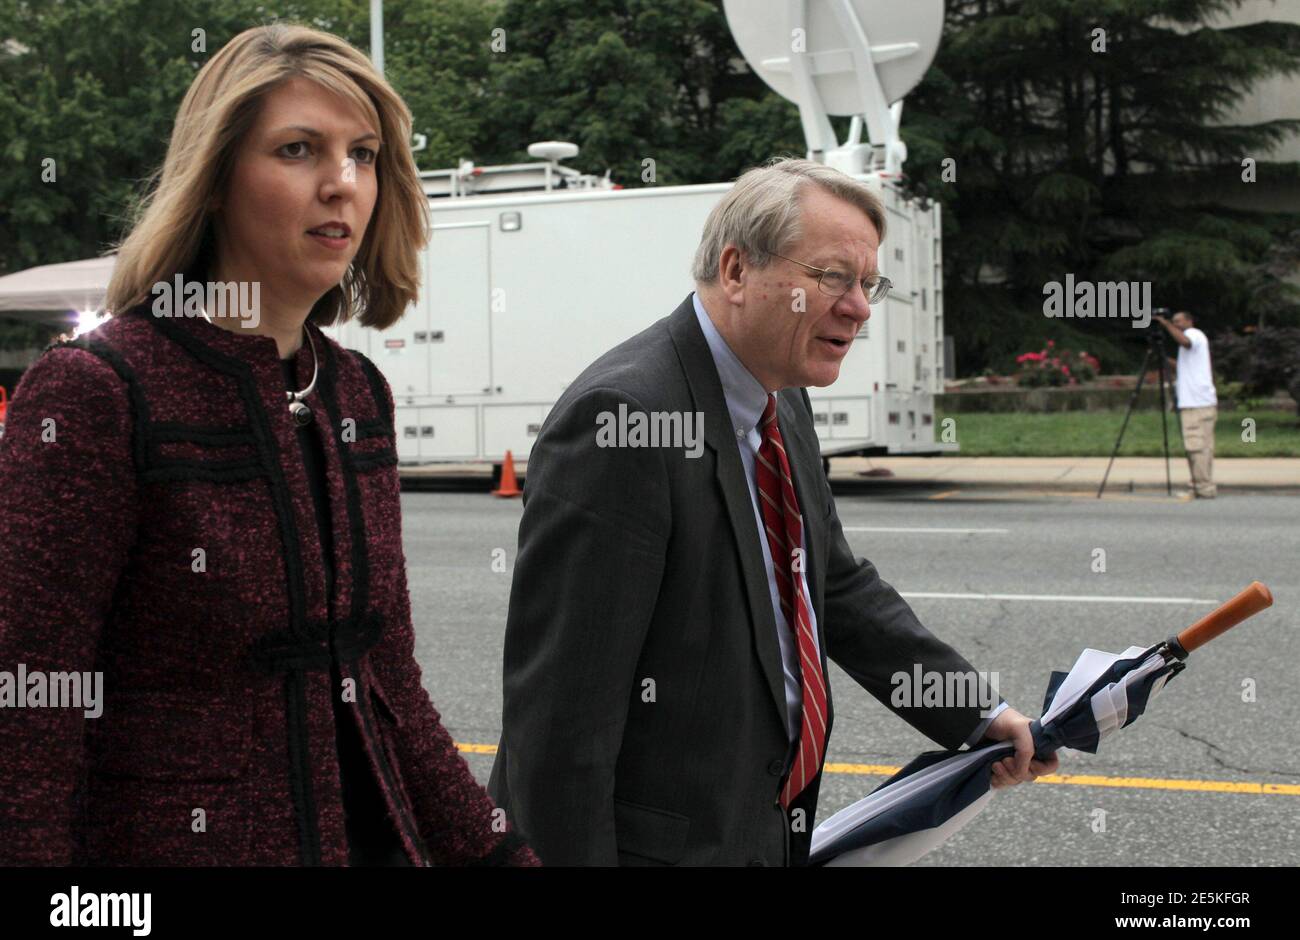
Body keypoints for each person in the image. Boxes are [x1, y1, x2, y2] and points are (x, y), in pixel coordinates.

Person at [0, 22, 537, 867]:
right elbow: (30, 711)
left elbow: (393, 685)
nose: (342, 184)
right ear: (213, 181)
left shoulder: (357, 390)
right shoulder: (97, 390)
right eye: (298, 150)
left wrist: (502, 856)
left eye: (364, 155)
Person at [487, 157, 1058, 866]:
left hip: (763, 831)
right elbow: (562, 721)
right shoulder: (625, 420)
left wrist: (975, 714)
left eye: (867, 283)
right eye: (831, 278)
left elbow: (836, 590)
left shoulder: (781, 392)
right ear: (736, 271)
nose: (858, 306)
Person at [1155, 309, 1218, 498]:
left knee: (1196, 447)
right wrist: (1163, 358)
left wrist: (1165, 324)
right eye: (1173, 322)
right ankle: (1202, 485)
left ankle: (1201, 487)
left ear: (1189, 321)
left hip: (1195, 404)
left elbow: (1184, 341)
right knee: (1203, 448)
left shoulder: (1193, 334)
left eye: (1178, 321)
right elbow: (1183, 364)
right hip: (1202, 401)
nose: (1175, 325)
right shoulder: (1193, 343)